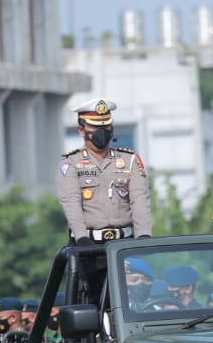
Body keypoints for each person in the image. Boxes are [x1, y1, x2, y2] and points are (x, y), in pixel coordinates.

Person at [56, 98, 152, 244]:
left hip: (124, 242)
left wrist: (143, 236)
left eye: (106, 126)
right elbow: (71, 202)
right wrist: (82, 237)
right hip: (87, 244)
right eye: (95, 127)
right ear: (81, 130)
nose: (102, 131)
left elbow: (139, 199)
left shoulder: (129, 160)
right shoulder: (70, 163)